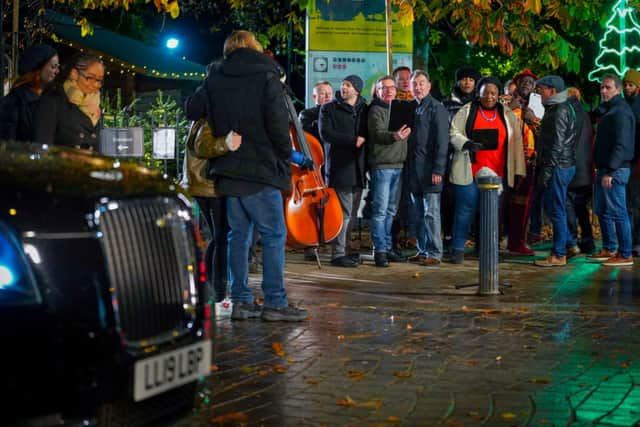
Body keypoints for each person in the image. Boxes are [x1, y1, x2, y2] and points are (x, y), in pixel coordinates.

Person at [185, 30, 307, 322]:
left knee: (237, 236)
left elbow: (192, 109)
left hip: (229, 170)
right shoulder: (267, 77)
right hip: (261, 170)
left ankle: (240, 300)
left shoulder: (215, 76)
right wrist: (282, 155)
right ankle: (275, 302)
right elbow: (278, 124)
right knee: (274, 235)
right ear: (255, 48)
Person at [449, 76, 526, 264]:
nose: (489, 97)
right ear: (479, 93)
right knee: (465, 210)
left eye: (493, 93)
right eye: (485, 93)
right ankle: (457, 248)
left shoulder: (507, 114)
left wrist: (518, 170)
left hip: (497, 174)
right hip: (470, 171)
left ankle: (487, 249)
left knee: (492, 214)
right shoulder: (466, 111)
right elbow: (453, 132)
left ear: (499, 94)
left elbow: (516, 143)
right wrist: (466, 143)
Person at [180, 119, 242, 303]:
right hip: (208, 187)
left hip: (205, 186)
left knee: (219, 236)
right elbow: (204, 147)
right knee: (222, 237)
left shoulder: (204, 121)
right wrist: (227, 143)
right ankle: (217, 288)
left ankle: (210, 285)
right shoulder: (208, 122)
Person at [533, 75, 583, 267]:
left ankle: (559, 254)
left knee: (557, 209)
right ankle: (569, 245)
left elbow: (557, 144)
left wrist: (547, 170)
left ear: (552, 91)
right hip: (563, 165)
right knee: (557, 206)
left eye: (541, 89)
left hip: (558, 166)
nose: (539, 93)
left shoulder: (559, 110)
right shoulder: (559, 107)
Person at [319, 74, 368, 268]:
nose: (343, 88)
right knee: (344, 213)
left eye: (348, 85)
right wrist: (352, 140)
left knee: (352, 213)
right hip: (340, 167)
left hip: (359, 168)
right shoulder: (329, 108)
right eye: (343, 84)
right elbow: (326, 134)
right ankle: (338, 253)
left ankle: (345, 250)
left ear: (357, 89)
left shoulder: (364, 109)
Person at [586, 74, 635, 266]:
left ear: (618, 89)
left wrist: (610, 171)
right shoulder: (611, 109)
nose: (603, 91)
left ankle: (625, 254)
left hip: (615, 169)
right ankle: (609, 247)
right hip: (605, 168)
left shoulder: (621, 111)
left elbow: (621, 144)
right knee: (603, 210)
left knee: (617, 211)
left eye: (607, 87)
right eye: (602, 87)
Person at [405, 70, 449, 266]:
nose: (418, 87)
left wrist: (438, 169)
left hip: (431, 171)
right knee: (418, 213)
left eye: (422, 83)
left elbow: (442, 142)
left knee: (431, 213)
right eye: (415, 84)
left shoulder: (436, 108)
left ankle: (435, 253)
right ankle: (422, 250)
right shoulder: (416, 108)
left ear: (429, 86)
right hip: (415, 171)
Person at [367, 75, 411, 267]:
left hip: (399, 165)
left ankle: (386, 246)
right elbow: (377, 134)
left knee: (391, 210)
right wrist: (395, 136)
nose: (389, 91)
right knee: (380, 211)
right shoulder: (375, 110)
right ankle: (380, 250)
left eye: (392, 87)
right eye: (384, 88)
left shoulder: (401, 108)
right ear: (377, 90)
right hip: (382, 166)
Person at [442, 66, 481, 254]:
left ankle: (478, 241)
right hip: (451, 159)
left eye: (471, 80)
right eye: (464, 79)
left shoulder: (481, 104)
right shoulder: (447, 104)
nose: (467, 82)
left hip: (477, 160)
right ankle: (450, 239)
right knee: (451, 202)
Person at [33, 54, 103, 149]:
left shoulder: (95, 105)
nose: (95, 85)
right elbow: (42, 146)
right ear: (74, 74)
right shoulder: (53, 101)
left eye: (99, 80)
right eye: (90, 78)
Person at [505, 68, 540, 256]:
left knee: (522, 204)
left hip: (528, 161)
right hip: (507, 160)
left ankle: (517, 242)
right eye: (524, 81)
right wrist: (510, 107)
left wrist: (533, 119)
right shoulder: (506, 102)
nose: (527, 84)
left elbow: (543, 133)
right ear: (516, 84)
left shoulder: (537, 105)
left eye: (531, 82)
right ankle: (496, 240)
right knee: (503, 203)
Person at [0, 44, 59, 141]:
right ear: (38, 69)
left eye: (57, 66)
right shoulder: (13, 103)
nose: (57, 71)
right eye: (53, 66)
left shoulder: (52, 99)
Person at [565, 87, 595, 256]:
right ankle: (588, 241)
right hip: (586, 169)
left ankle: (572, 241)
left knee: (568, 204)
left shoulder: (567, 114)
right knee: (582, 207)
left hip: (571, 168)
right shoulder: (586, 115)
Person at [622, 69, 640, 255]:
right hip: (630, 160)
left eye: (631, 85)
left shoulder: (635, 107)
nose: (627, 88)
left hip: (635, 161)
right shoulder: (627, 105)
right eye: (626, 84)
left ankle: (636, 241)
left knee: (634, 202)